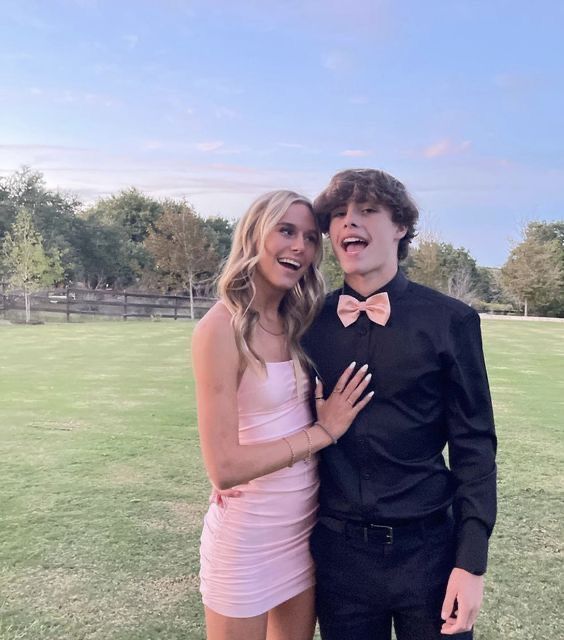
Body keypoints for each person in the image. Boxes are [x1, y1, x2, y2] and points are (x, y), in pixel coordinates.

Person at [302, 169, 497, 640]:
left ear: (401, 226)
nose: (350, 222)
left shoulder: (452, 321)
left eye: (368, 210)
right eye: (339, 215)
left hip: (429, 553)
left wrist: (470, 564)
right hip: (339, 559)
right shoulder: (307, 323)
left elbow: (474, 446)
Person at [192, 189, 374, 640]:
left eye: (311, 238)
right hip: (246, 538)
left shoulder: (300, 322)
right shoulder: (220, 328)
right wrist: (323, 432)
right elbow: (224, 468)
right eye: (286, 231)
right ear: (255, 234)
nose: (300, 247)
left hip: (302, 534)